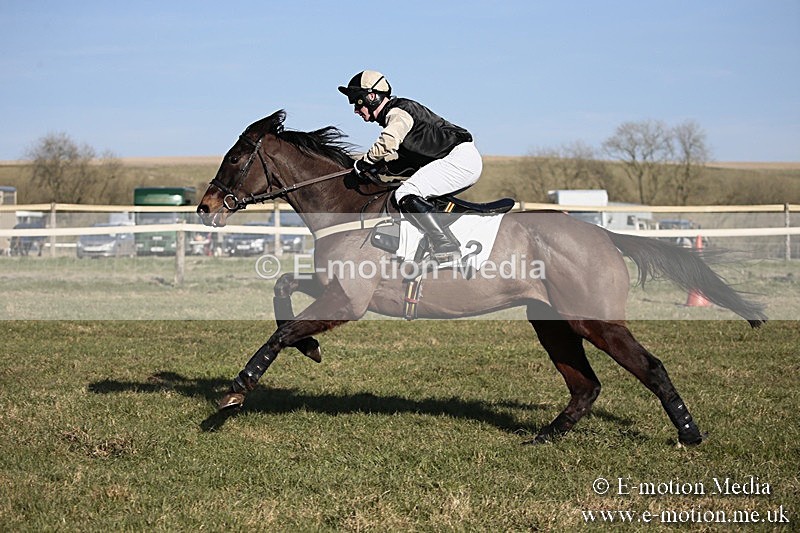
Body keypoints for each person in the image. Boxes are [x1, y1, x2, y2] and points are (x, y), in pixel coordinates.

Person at [338, 70, 482, 264]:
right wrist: (381, 168)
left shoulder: (397, 112)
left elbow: (387, 143)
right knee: (410, 191)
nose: (356, 109)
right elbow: (403, 161)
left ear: (372, 97)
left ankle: (446, 245)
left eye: (357, 101)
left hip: (460, 160)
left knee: (406, 193)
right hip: (457, 159)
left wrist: (364, 163)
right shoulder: (398, 114)